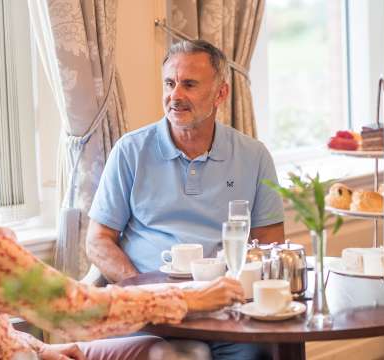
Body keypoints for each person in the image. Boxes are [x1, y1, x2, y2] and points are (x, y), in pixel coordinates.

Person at [0, 92, 245, 360]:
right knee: (171, 355)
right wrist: (187, 296)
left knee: (151, 347)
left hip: (19, 353)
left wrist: (37, 346)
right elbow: (75, 309)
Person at [86, 40, 285, 359]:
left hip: (228, 313)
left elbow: (270, 243)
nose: (175, 95)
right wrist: (146, 293)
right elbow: (98, 240)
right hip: (154, 316)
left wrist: (236, 294)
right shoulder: (130, 151)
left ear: (221, 94)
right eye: (169, 83)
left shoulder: (254, 156)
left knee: (262, 353)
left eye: (189, 84)